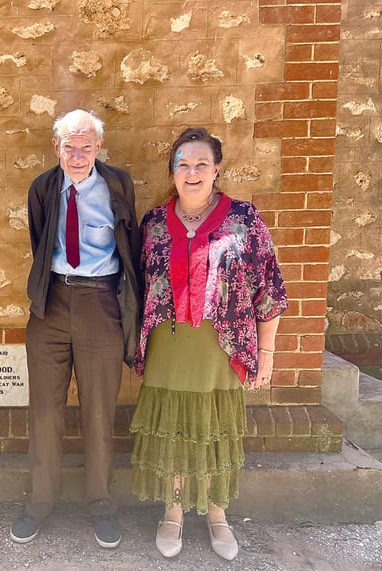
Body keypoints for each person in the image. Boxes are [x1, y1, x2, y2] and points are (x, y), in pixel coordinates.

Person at [129, 127, 288, 560]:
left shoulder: (244, 219)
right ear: (172, 171)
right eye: (183, 164)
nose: (192, 171)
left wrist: (266, 355)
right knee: (173, 429)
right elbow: (136, 288)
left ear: (217, 169)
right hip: (168, 347)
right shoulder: (153, 224)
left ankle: (217, 514)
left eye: (201, 163)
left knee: (215, 429)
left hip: (221, 347)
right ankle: (173, 510)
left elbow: (270, 291)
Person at [10, 109, 142, 548]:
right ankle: (40, 501)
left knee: (99, 409)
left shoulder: (118, 185)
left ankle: (101, 504)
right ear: (57, 147)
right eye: (70, 146)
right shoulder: (43, 188)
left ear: (98, 147)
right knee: (44, 410)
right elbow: (40, 241)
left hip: (100, 303)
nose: (78, 155)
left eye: (87, 146)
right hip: (50, 303)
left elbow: (130, 245)